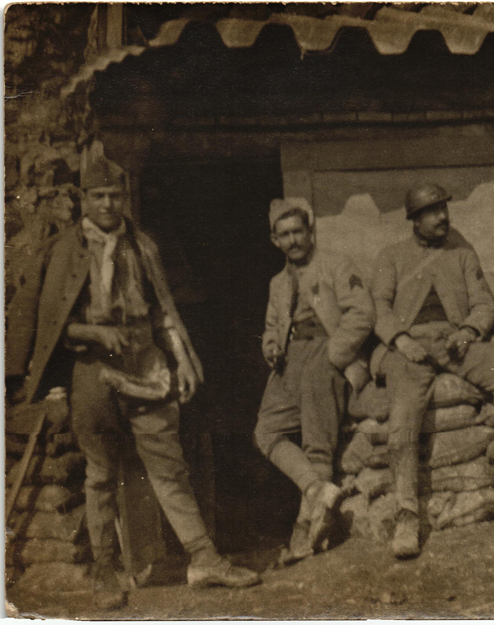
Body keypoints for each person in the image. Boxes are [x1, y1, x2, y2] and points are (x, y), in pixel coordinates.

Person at [5, 142, 260, 610]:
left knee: (169, 467)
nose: (107, 204)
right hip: (92, 371)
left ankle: (204, 559)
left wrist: (182, 359)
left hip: (145, 366)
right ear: (84, 199)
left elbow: (163, 311)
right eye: (98, 196)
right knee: (101, 474)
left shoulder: (142, 246)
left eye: (115, 196)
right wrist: (95, 334)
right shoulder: (64, 251)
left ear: (124, 198)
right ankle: (105, 570)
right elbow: (52, 326)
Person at [371, 181, 494, 559]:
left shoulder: (462, 252)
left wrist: (469, 331)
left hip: (459, 341)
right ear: (415, 219)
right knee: (403, 416)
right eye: (433, 212)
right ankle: (407, 513)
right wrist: (400, 340)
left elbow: (484, 303)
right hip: (410, 346)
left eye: (444, 209)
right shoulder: (392, 256)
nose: (443, 217)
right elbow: (380, 308)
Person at [254, 197, 375, 565]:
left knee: (316, 443)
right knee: (266, 432)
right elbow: (271, 326)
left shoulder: (336, 265)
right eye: (284, 235)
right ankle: (316, 488)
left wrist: (335, 355)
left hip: (326, 352)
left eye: (298, 232)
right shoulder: (277, 283)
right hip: (290, 361)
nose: (292, 240)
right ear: (275, 240)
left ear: (310, 232)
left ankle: (307, 529)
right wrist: (270, 345)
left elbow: (362, 313)